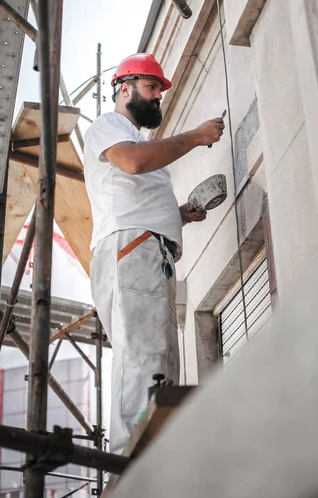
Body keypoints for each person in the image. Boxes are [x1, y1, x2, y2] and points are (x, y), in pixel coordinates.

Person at [83, 53, 225, 454]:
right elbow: (132, 163)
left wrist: (178, 215)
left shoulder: (137, 141)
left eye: (160, 92)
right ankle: (131, 462)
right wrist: (195, 136)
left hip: (148, 252)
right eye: (151, 88)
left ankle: (153, 456)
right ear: (123, 88)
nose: (157, 98)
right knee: (143, 354)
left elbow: (135, 179)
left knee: (159, 361)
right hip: (132, 249)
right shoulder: (109, 126)